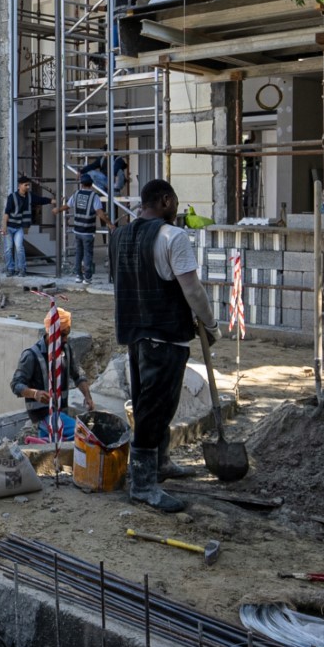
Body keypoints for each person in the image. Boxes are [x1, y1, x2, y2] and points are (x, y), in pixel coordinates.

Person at [111, 178, 222, 513]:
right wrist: (211, 324)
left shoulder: (119, 236)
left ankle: (160, 462)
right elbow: (192, 289)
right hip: (165, 335)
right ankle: (143, 484)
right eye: (174, 202)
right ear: (165, 201)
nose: (175, 209)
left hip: (135, 334)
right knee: (154, 410)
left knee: (153, 405)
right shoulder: (174, 237)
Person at [10, 308, 83, 439]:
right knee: (80, 433)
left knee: (50, 445)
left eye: (67, 334)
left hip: (60, 412)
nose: (66, 339)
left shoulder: (66, 349)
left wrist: (88, 397)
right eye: (62, 335)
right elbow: (16, 385)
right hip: (42, 414)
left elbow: (77, 374)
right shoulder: (31, 356)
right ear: (51, 333)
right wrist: (35, 393)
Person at [0, 175, 50, 277]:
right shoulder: (12, 197)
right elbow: (6, 213)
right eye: (26, 185)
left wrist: (54, 201)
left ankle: (22, 269)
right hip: (9, 227)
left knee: (19, 248)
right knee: (8, 248)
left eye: (29, 185)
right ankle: (10, 269)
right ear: (20, 186)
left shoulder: (30, 196)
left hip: (19, 227)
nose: (28, 187)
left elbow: (41, 200)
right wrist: (4, 226)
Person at [67, 173, 111, 285]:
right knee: (87, 255)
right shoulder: (94, 196)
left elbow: (67, 205)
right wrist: (109, 223)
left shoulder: (76, 194)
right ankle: (87, 278)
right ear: (91, 184)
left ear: (81, 184)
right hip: (88, 232)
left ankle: (78, 276)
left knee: (79, 254)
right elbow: (100, 213)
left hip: (77, 231)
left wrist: (57, 210)